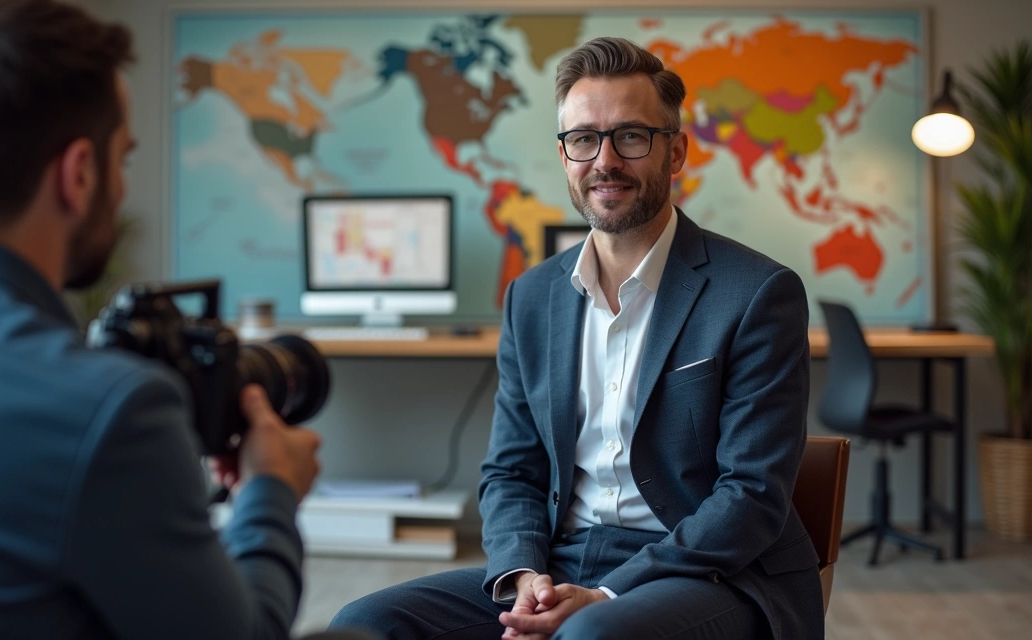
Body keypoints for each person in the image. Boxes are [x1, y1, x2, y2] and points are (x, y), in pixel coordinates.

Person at [0, 1, 374, 639]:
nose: (123, 185)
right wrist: (269, 490)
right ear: (79, 174)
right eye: (125, 159)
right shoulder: (106, 411)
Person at [331, 36, 823, 640]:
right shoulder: (530, 298)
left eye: (632, 136)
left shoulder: (756, 293)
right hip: (563, 562)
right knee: (367, 624)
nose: (605, 160)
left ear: (676, 153)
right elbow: (512, 471)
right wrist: (525, 575)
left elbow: (750, 495)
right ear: (565, 155)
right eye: (584, 138)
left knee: (590, 636)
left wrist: (606, 594)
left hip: (712, 575)